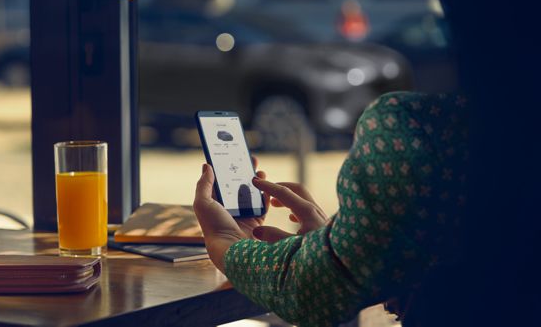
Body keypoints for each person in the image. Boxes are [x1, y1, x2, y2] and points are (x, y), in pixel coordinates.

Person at [194, 92, 468, 326]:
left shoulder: (408, 121)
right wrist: (332, 248)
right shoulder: (499, 122)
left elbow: (319, 289)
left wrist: (227, 244)